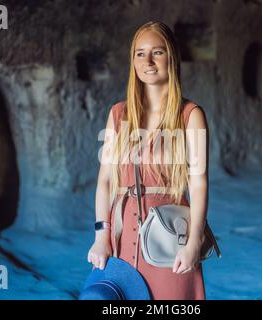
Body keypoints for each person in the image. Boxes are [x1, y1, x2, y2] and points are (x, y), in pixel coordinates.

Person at [87, 21, 209, 300]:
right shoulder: (118, 114)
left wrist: (194, 242)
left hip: (169, 233)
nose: (148, 61)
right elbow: (105, 181)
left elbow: (199, 184)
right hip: (121, 231)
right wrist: (101, 236)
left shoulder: (191, 115)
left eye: (158, 52)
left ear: (172, 57)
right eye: (140, 54)